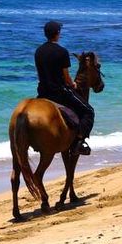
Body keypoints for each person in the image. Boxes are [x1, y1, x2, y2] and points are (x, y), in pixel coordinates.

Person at [34, 20, 94, 155]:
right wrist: (73, 84)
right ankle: (79, 142)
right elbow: (66, 77)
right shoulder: (62, 51)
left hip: (42, 93)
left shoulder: (38, 51)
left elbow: (39, 74)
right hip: (59, 93)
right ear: (57, 34)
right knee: (89, 111)